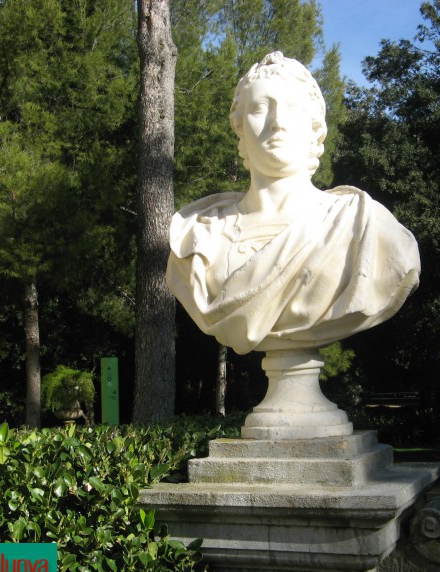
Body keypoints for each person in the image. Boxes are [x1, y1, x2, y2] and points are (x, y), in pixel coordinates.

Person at [167, 51, 420, 356]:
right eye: (260, 108)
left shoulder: (363, 224)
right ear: (240, 127)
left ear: (316, 129)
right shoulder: (200, 236)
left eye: (293, 108)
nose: (277, 123)